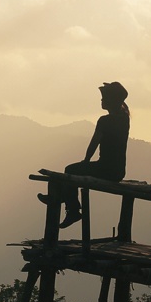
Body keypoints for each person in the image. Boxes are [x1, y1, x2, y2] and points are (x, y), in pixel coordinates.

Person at [39, 81, 130, 228]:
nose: (101, 100)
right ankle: (62, 197)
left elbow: (94, 144)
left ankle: (72, 210)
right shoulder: (124, 118)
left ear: (111, 101)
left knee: (70, 170)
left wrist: (86, 161)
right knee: (71, 173)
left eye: (104, 98)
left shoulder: (105, 121)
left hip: (105, 169)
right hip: (118, 171)